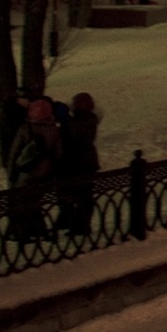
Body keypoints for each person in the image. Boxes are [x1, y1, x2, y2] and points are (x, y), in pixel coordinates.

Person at [5, 98, 61, 242]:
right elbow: (58, 153)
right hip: (45, 173)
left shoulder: (25, 129)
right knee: (35, 202)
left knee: (21, 203)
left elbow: (14, 153)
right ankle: (38, 230)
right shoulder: (53, 129)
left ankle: (22, 232)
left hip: (26, 173)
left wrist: (11, 173)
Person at [56, 92, 102, 236]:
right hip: (87, 162)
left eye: (75, 103)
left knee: (76, 194)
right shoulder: (90, 119)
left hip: (76, 163)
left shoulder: (79, 122)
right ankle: (74, 222)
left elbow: (73, 134)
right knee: (83, 194)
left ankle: (78, 224)